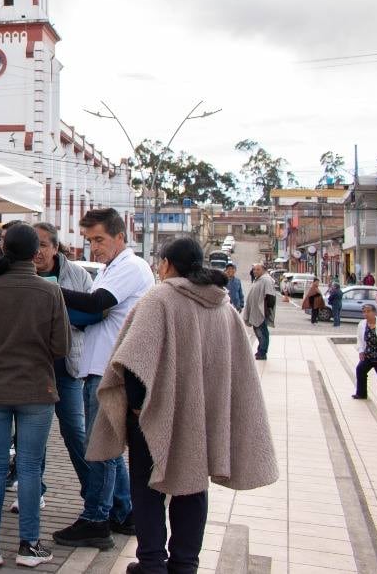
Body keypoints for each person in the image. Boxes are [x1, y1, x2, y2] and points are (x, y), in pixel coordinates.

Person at [86, 236, 278, 574]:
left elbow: (133, 361)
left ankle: (151, 564)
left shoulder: (159, 298)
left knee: (148, 489)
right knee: (192, 487)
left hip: (154, 415)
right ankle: (185, 565)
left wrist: (137, 409)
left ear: (166, 264)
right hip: (202, 418)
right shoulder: (223, 307)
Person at [0, 223, 68, 568]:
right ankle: (30, 545)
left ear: (4, 251)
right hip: (38, 389)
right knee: (30, 467)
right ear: (36, 253)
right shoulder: (51, 292)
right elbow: (62, 346)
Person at [53, 208, 151, 551]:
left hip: (111, 370)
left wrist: (49, 289)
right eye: (89, 241)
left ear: (120, 236)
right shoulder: (112, 268)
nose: (94, 247)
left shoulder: (130, 267)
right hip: (99, 367)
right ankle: (124, 512)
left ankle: (96, 519)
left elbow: (97, 303)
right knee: (105, 447)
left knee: (101, 449)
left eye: (99, 239)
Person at [32, 222, 99, 505]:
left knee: (75, 431)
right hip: (32, 369)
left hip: (68, 368)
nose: (37, 252)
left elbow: (95, 314)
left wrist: (59, 315)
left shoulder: (77, 274)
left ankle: (93, 495)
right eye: (33, 246)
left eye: (43, 245)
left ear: (55, 247)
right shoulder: (22, 273)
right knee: (33, 435)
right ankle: (33, 491)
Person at [242, 265, 273, 361]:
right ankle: (260, 350)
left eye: (258, 269)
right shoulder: (258, 280)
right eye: (254, 269)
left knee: (262, 332)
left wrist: (266, 311)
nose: (255, 271)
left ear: (263, 270)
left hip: (261, 312)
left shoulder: (266, 280)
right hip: (256, 311)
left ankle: (262, 352)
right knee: (258, 331)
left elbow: (270, 296)